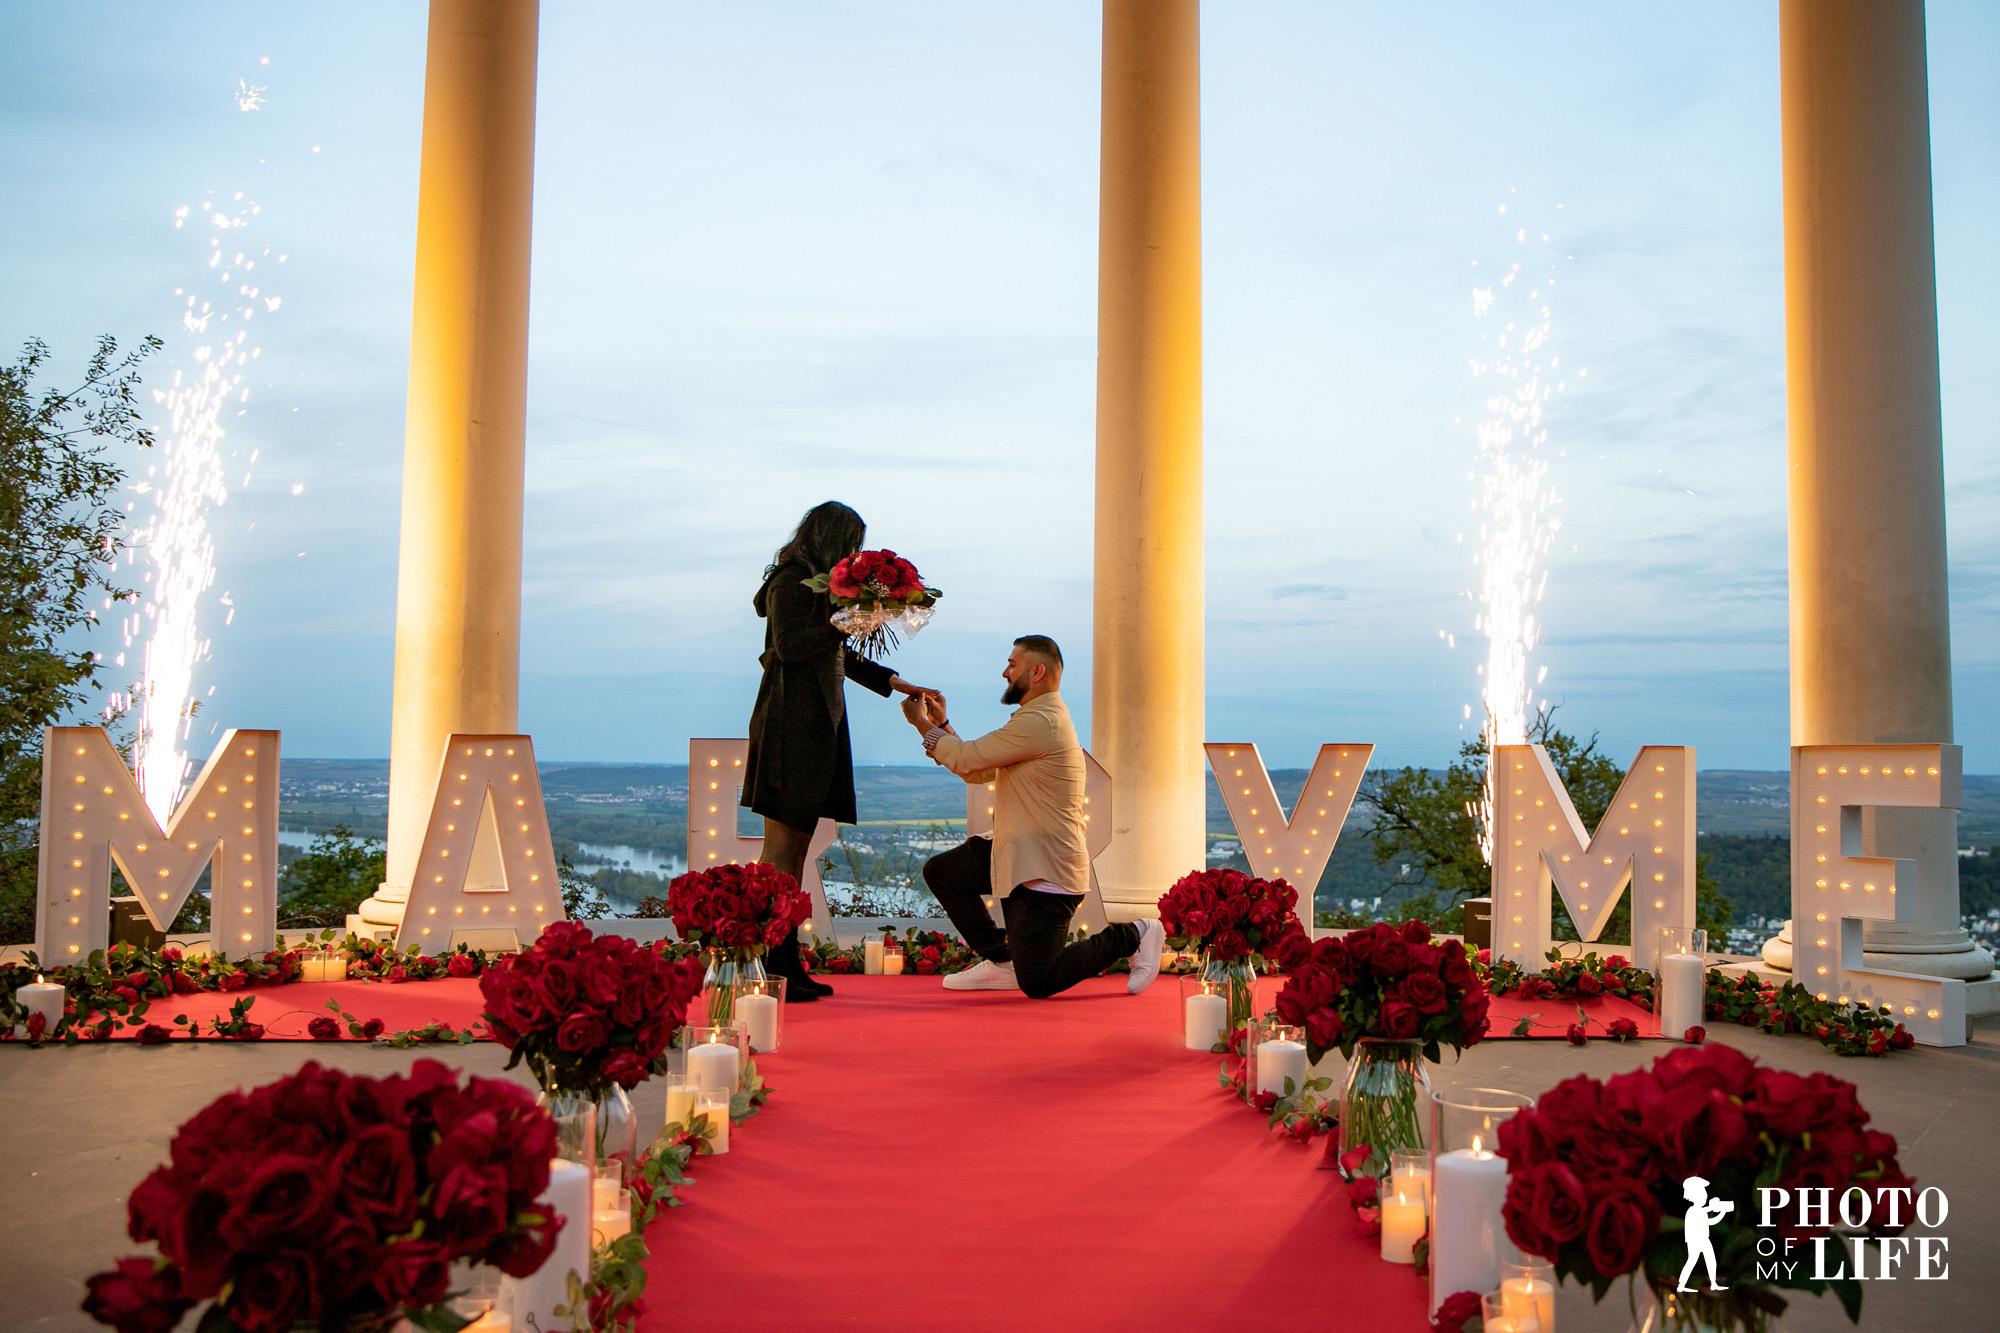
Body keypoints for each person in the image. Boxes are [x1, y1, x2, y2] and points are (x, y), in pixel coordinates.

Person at [904, 635, 1164, 998]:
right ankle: (1001, 962)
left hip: (1045, 868)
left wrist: (922, 725)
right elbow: (976, 770)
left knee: (1040, 981)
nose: (1004, 672)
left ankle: (1136, 933)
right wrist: (942, 724)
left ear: (1036, 671)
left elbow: (966, 759)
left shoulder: (1042, 722)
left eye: (1012, 664)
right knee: (943, 872)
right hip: (1016, 855)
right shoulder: (1034, 720)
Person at [743, 501, 932, 1001]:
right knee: (782, 853)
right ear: (829, 539)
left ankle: (784, 964)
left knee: (796, 851)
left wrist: (894, 681)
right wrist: (851, 615)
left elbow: (840, 655)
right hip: (789, 724)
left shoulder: (819, 586)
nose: (852, 556)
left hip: (814, 726)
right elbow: (790, 646)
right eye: (849, 545)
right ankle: (768, 966)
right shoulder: (789, 581)